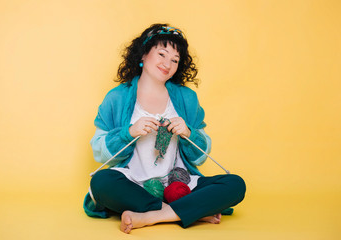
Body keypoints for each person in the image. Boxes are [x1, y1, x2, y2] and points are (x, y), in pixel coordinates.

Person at [83, 23, 246, 234]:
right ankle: (189, 212)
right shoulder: (117, 97)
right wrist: (128, 132)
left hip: (178, 186)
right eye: (162, 54)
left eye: (175, 60)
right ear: (143, 54)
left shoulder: (187, 98)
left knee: (235, 184)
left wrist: (189, 133)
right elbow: (98, 150)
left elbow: (201, 157)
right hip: (134, 185)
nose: (167, 64)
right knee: (101, 182)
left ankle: (152, 215)